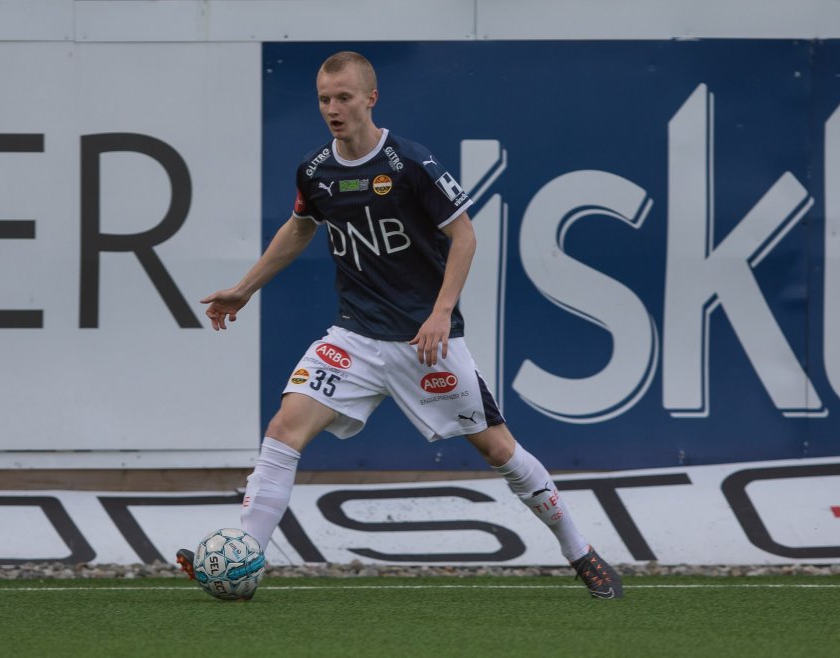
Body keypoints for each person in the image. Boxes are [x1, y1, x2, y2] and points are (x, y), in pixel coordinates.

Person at [177, 51, 623, 599]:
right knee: (285, 428)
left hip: (424, 341)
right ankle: (244, 558)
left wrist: (440, 312)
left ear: (371, 98)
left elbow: (465, 235)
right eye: (324, 99)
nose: (333, 109)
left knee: (499, 450)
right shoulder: (315, 172)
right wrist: (245, 288)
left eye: (344, 97)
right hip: (353, 338)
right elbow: (300, 228)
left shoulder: (410, 163)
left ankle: (580, 552)